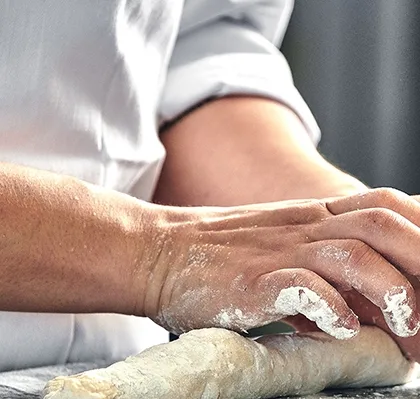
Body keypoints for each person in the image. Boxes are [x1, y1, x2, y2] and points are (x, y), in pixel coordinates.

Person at [1, 0, 420, 371]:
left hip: (117, 369)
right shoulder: (164, 255)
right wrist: (159, 255)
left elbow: (191, 53)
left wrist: (342, 235)